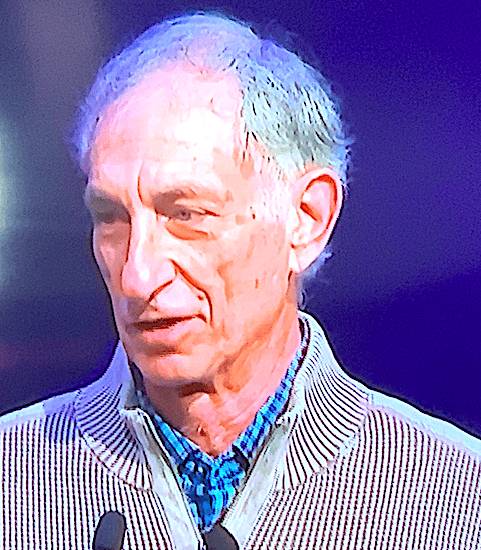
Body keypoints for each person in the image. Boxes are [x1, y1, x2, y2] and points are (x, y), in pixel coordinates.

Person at [1, 11, 480, 550]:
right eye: (111, 218)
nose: (137, 275)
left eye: (186, 214)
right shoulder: (10, 481)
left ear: (306, 218)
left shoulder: (456, 502)